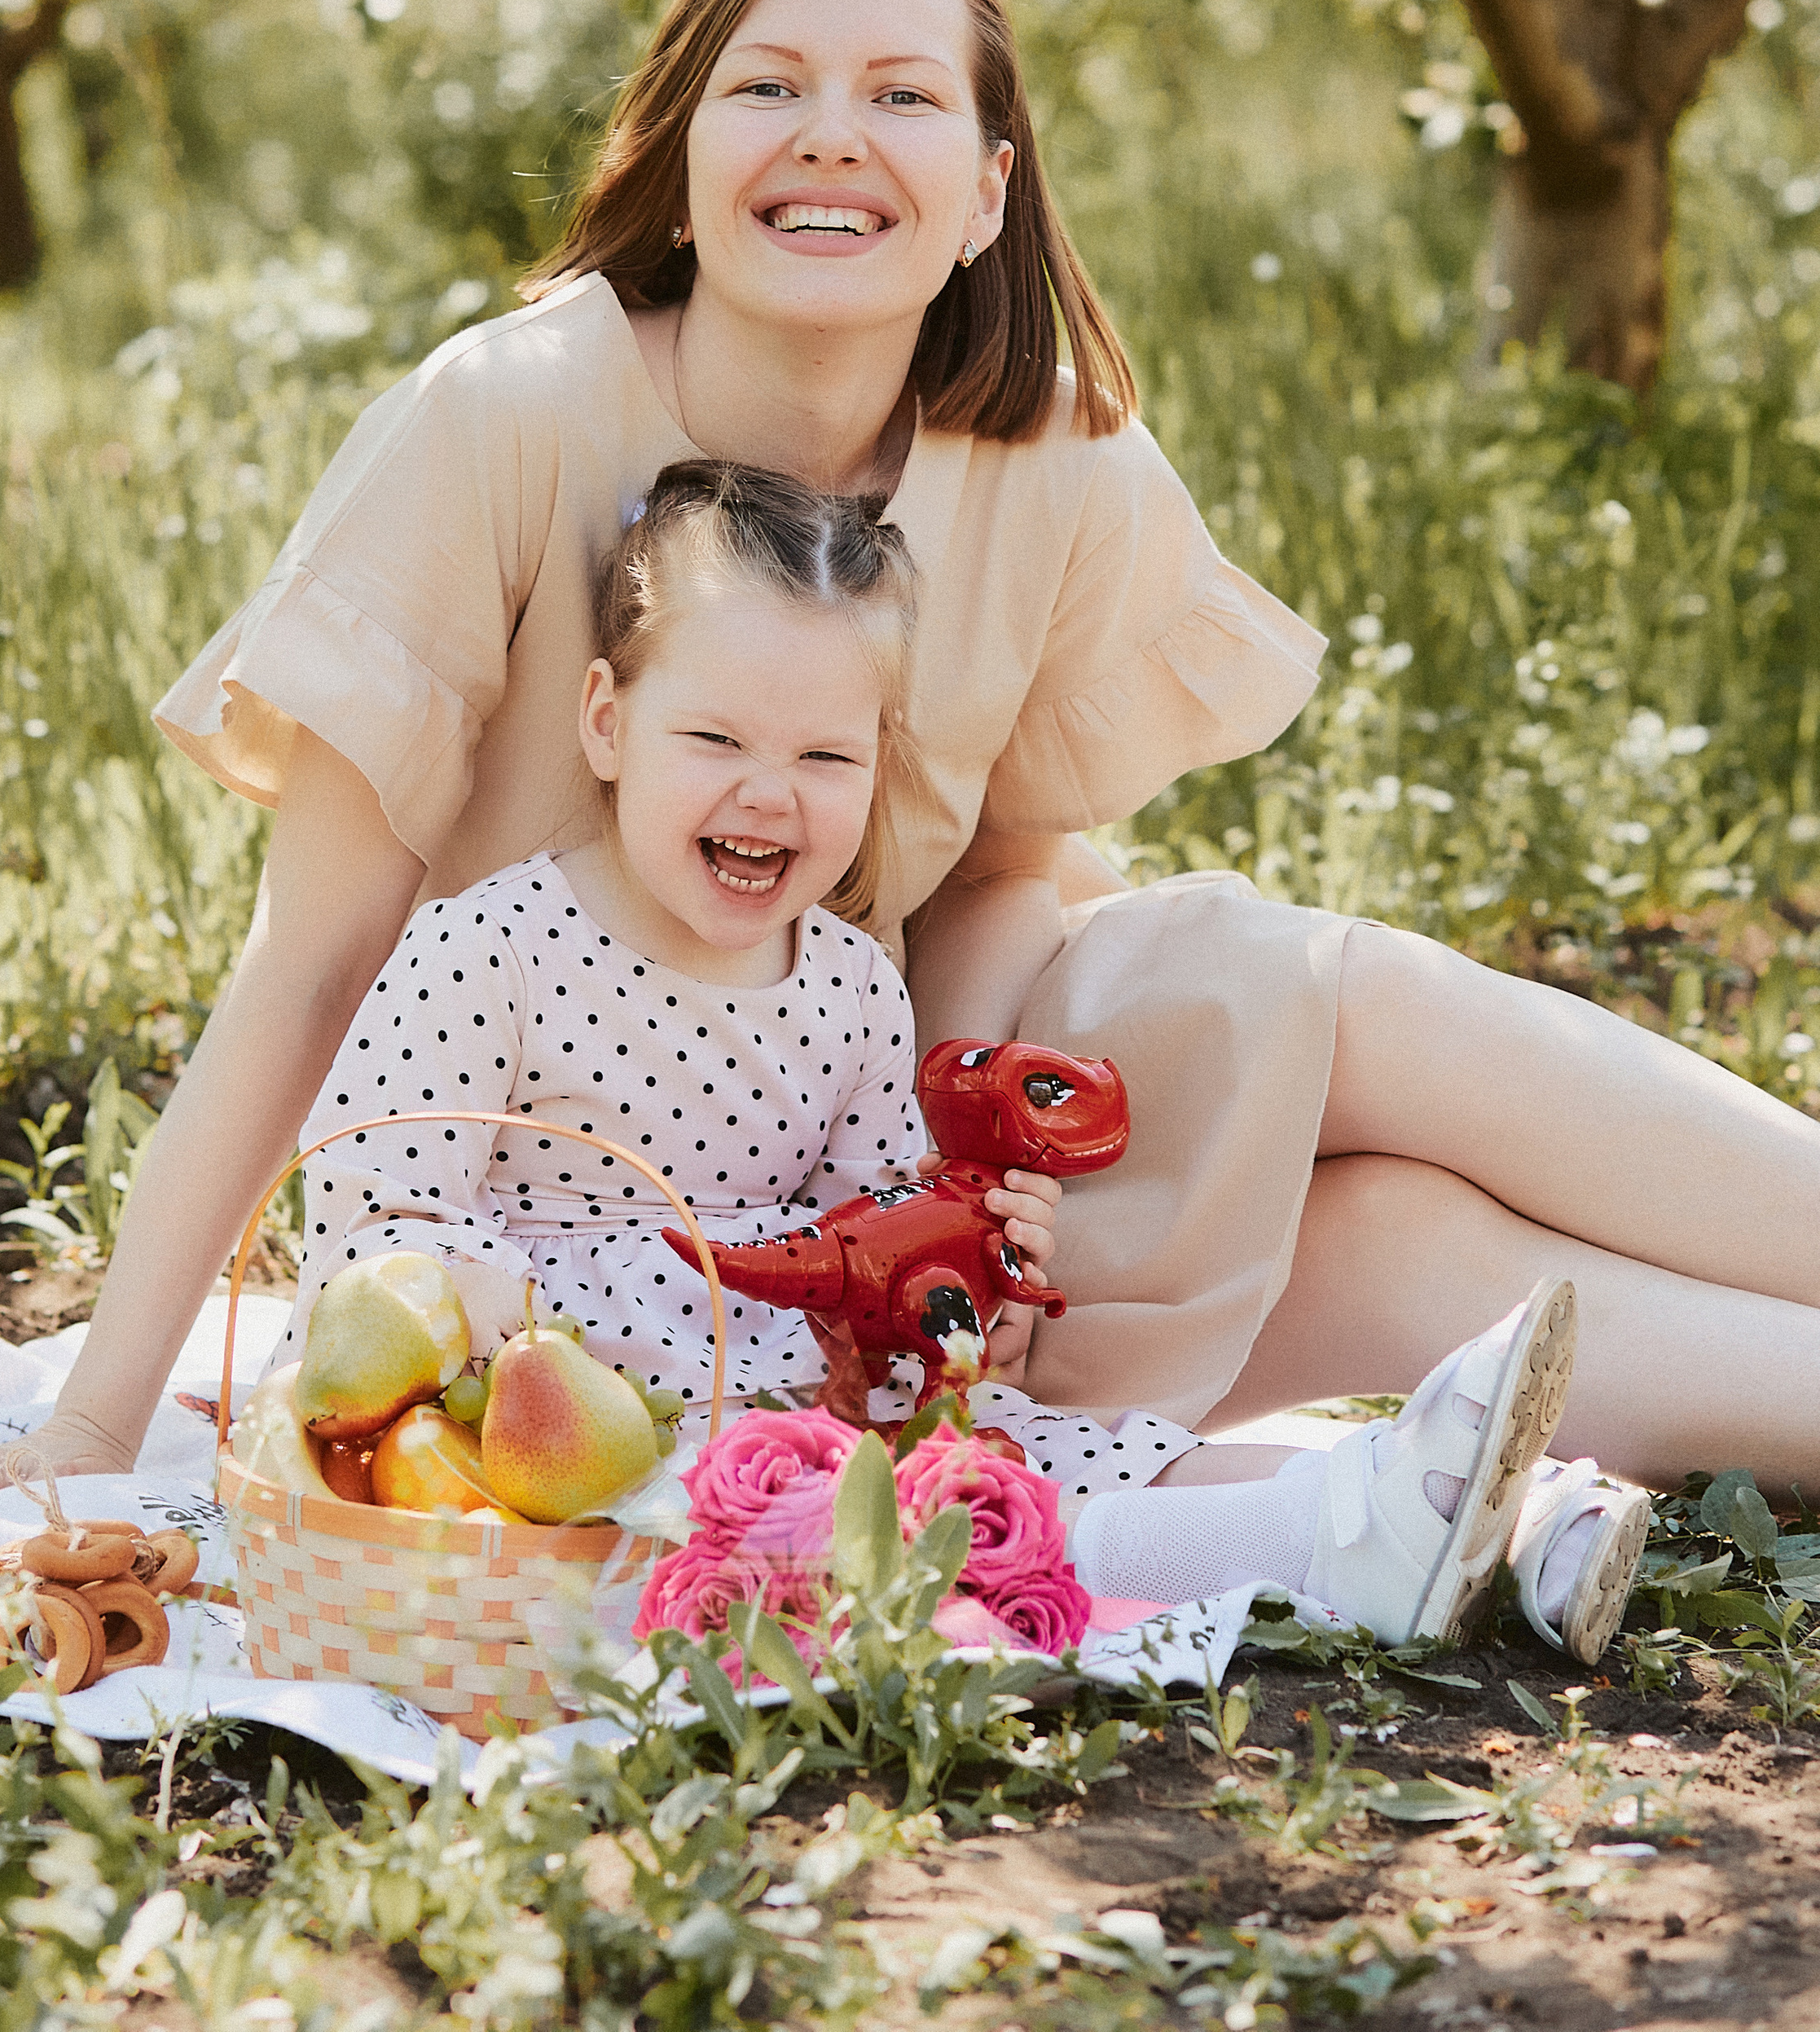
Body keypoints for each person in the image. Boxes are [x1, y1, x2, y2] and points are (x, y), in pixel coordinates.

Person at [0, 0, 1820, 1540]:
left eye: (899, 96)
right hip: (612, 1189)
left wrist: (944, 1216)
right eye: (768, 87)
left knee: (1320, 992)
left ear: (984, 193)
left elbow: (1014, 871)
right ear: (682, 159)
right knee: (1397, 1255)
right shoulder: (507, 422)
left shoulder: (1056, 460)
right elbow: (310, 965)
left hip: (880, 1102)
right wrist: (92, 1429)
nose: (828, 136)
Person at [284, 452, 1603, 1653]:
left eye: (824, 754)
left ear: (876, 765)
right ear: (606, 721)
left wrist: (979, 1274)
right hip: (579, 1448)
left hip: (836, 1402)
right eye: (716, 739)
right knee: (899, 1526)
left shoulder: (853, 986)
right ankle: (1351, 1524)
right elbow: (368, 1243)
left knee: (1064, 1448)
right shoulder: (490, 951)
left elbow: (889, 1252)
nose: (769, 791)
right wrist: (569, 1333)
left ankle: (1506, 1520)